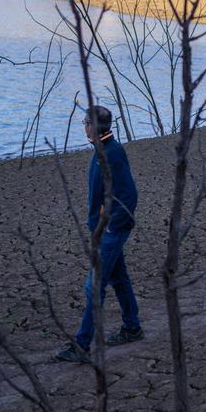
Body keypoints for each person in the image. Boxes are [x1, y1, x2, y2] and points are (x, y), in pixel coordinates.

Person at [56, 104, 142, 363]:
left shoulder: (111, 153)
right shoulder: (101, 150)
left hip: (111, 230)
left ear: (93, 126)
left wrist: (112, 226)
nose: (84, 126)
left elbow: (128, 193)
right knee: (119, 278)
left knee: (94, 286)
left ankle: (81, 345)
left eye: (85, 122)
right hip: (103, 229)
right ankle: (132, 327)